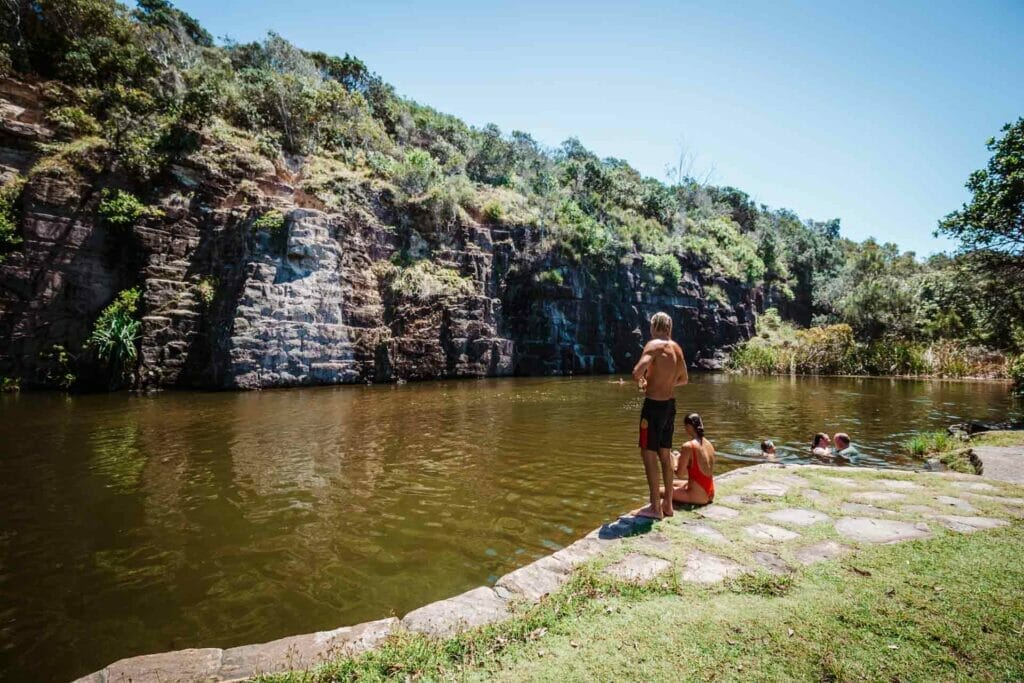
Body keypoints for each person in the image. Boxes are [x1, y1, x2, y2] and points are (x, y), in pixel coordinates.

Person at [631, 312, 688, 519]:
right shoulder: (677, 349)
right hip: (669, 406)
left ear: (655, 326)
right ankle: (668, 506)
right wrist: (666, 383)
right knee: (665, 455)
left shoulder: (653, 345)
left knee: (648, 454)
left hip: (653, 407)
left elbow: (637, 372)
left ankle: (655, 508)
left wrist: (644, 381)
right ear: (669, 327)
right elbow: (684, 379)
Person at [669, 413, 715, 504]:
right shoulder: (709, 444)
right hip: (710, 493)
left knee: (657, 491)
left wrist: (673, 459)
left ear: (688, 427)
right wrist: (680, 458)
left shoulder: (688, 446)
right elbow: (694, 469)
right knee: (671, 483)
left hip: (698, 497)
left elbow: (680, 474)